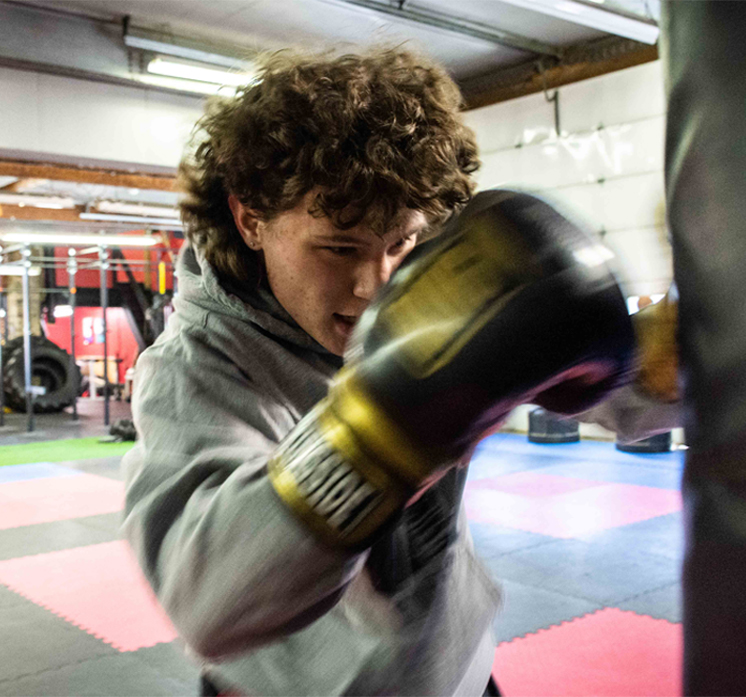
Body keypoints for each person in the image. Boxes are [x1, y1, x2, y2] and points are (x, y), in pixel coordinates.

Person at [120, 47, 676, 696]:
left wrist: (672, 357)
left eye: (400, 243)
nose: (374, 286)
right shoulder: (194, 368)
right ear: (250, 219)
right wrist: (379, 431)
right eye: (338, 247)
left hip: (458, 681)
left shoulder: (429, 289)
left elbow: (625, 397)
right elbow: (208, 600)